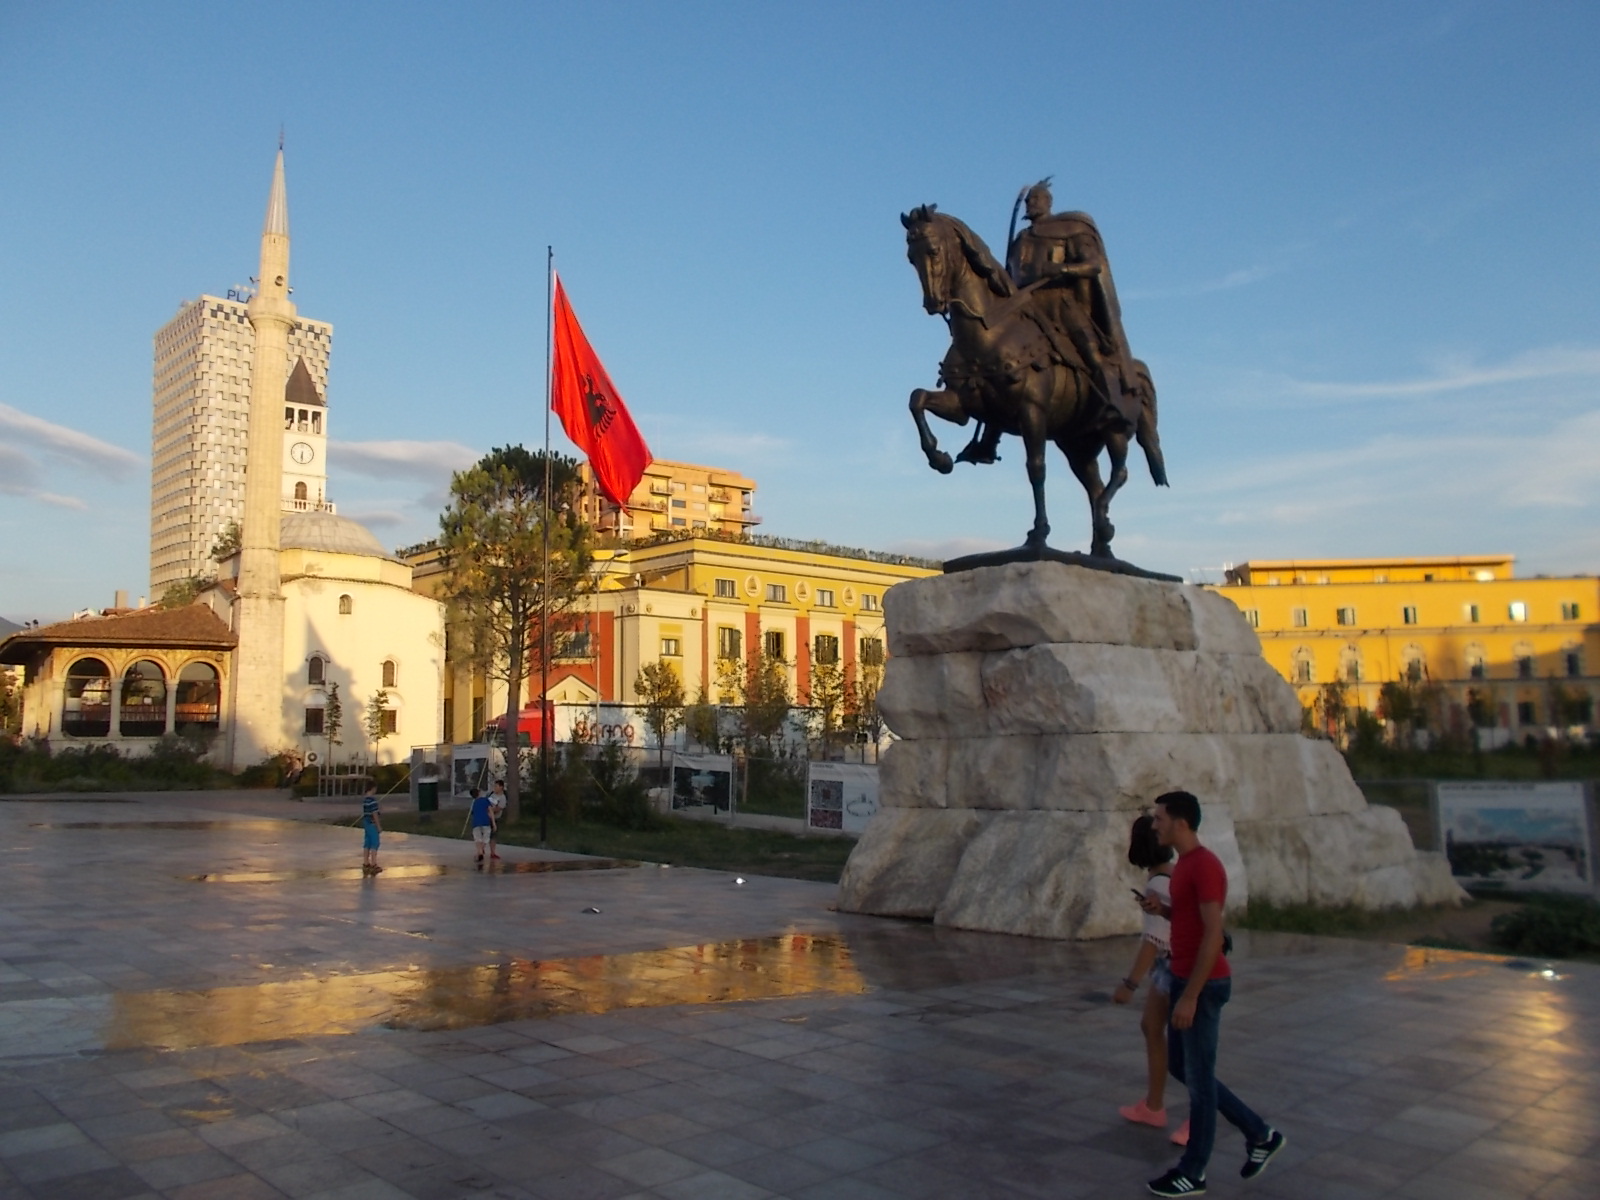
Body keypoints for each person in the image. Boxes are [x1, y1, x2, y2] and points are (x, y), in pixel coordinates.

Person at [1142, 791, 1285, 1197]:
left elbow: (1213, 934)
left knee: (1199, 1080)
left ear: (1181, 823)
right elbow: (1189, 919)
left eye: (1160, 818)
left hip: (1202, 985)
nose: (1155, 825)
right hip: (1185, 978)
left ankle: (1194, 1171)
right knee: (1183, 1068)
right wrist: (1163, 911)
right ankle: (1260, 1134)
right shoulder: (1185, 865)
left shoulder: (1204, 866)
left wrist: (1190, 996)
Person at [1112, 814, 1186, 1146]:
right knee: (1152, 1026)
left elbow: (1154, 941)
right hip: (1172, 967)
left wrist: (1129, 984)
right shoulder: (1172, 875)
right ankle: (1153, 1105)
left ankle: (1192, 1117)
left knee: (1186, 1049)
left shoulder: (1158, 885)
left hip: (1175, 968)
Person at [467, 785, 496, 868]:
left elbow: (473, 813)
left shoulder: (474, 803)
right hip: (485, 821)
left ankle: (479, 852)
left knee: (478, 838)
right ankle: (480, 851)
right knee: (486, 838)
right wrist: (493, 823)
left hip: (476, 822)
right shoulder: (485, 800)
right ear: (479, 793)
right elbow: (490, 811)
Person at [359, 783, 383, 874]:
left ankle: (366, 863)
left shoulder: (365, 800)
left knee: (367, 843)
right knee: (375, 843)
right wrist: (378, 826)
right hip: (372, 824)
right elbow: (375, 814)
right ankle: (373, 864)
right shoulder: (372, 801)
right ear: (373, 788)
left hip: (366, 823)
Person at [488, 779, 507, 860]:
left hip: (495, 818)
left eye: (496, 786)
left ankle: (492, 852)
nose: (494, 788)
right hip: (487, 817)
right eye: (494, 786)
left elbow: (498, 809)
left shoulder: (502, 798)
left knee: (493, 836)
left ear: (501, 787)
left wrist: (491, 810)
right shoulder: (492, 795)